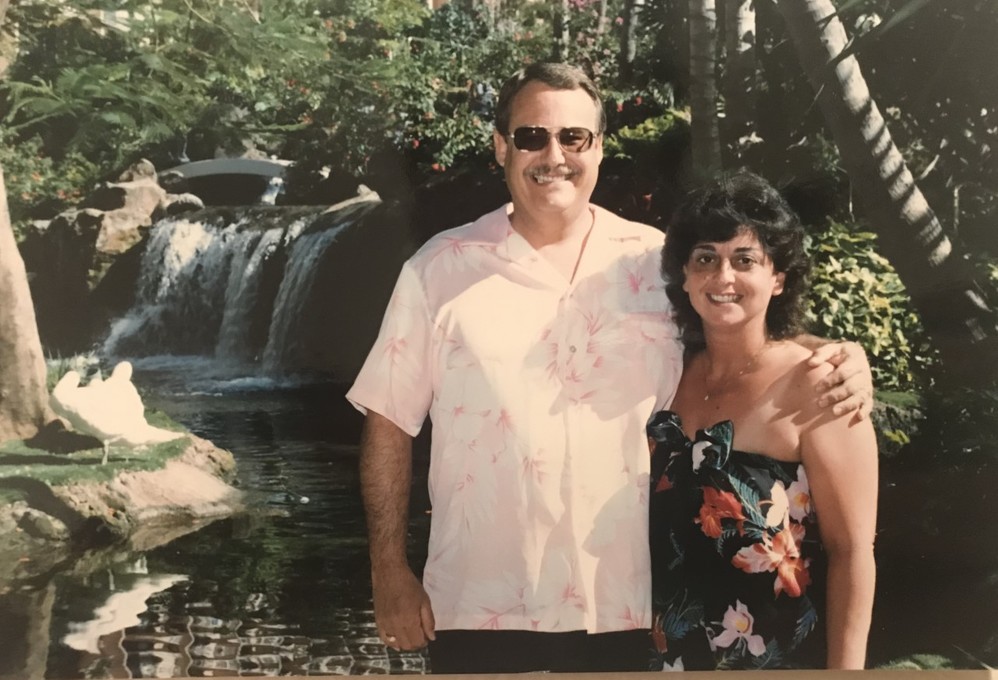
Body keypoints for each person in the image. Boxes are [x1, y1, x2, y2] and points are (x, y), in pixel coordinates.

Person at [347, 62, 873, 674]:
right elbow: (388, 421)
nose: (554, 154)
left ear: (598, 148)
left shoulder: (655, 262)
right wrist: (388, 568)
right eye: (531, 136)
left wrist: (833, 352)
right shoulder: (438, 270)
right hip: (477, 606)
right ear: (501, 147)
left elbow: (737, 321)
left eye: (574, 137)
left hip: (629, 615)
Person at [648, 171, 878, 671]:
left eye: (745, 259)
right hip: (669, 661)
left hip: (780, 659)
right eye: (705, 258)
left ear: (777, 278)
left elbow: (853, 551)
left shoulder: (819, 384)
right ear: (684, 276)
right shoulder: (666, 375)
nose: (723, 277)